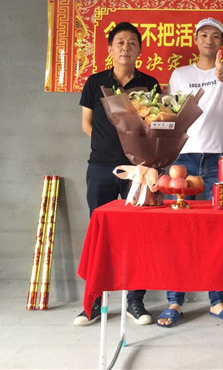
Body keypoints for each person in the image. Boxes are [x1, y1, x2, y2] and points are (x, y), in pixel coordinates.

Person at [157, 17, 223, 328]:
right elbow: (168, 113)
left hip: (219, 160)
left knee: (217, 232)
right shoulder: (180, 74)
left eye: (216, 36)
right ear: (195, 40)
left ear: (222, 42)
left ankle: (217, 302)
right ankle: (174, 302)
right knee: (178, 231)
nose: (209, 40)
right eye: (204, 35)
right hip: (183, 158)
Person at [73, 22, 159, 327]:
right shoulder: (95, 82)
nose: (126, 47)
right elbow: (87, 125)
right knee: (100, 235)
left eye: (132, 43)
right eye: (120, 42)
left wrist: (135, 155)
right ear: (110, 49)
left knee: (138, 234)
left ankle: (135, 301)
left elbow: (155, 125)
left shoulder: (149, 84)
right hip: (100, 167)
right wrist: (109, 147)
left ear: (140, 50)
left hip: (138, 170)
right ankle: (94, 302)